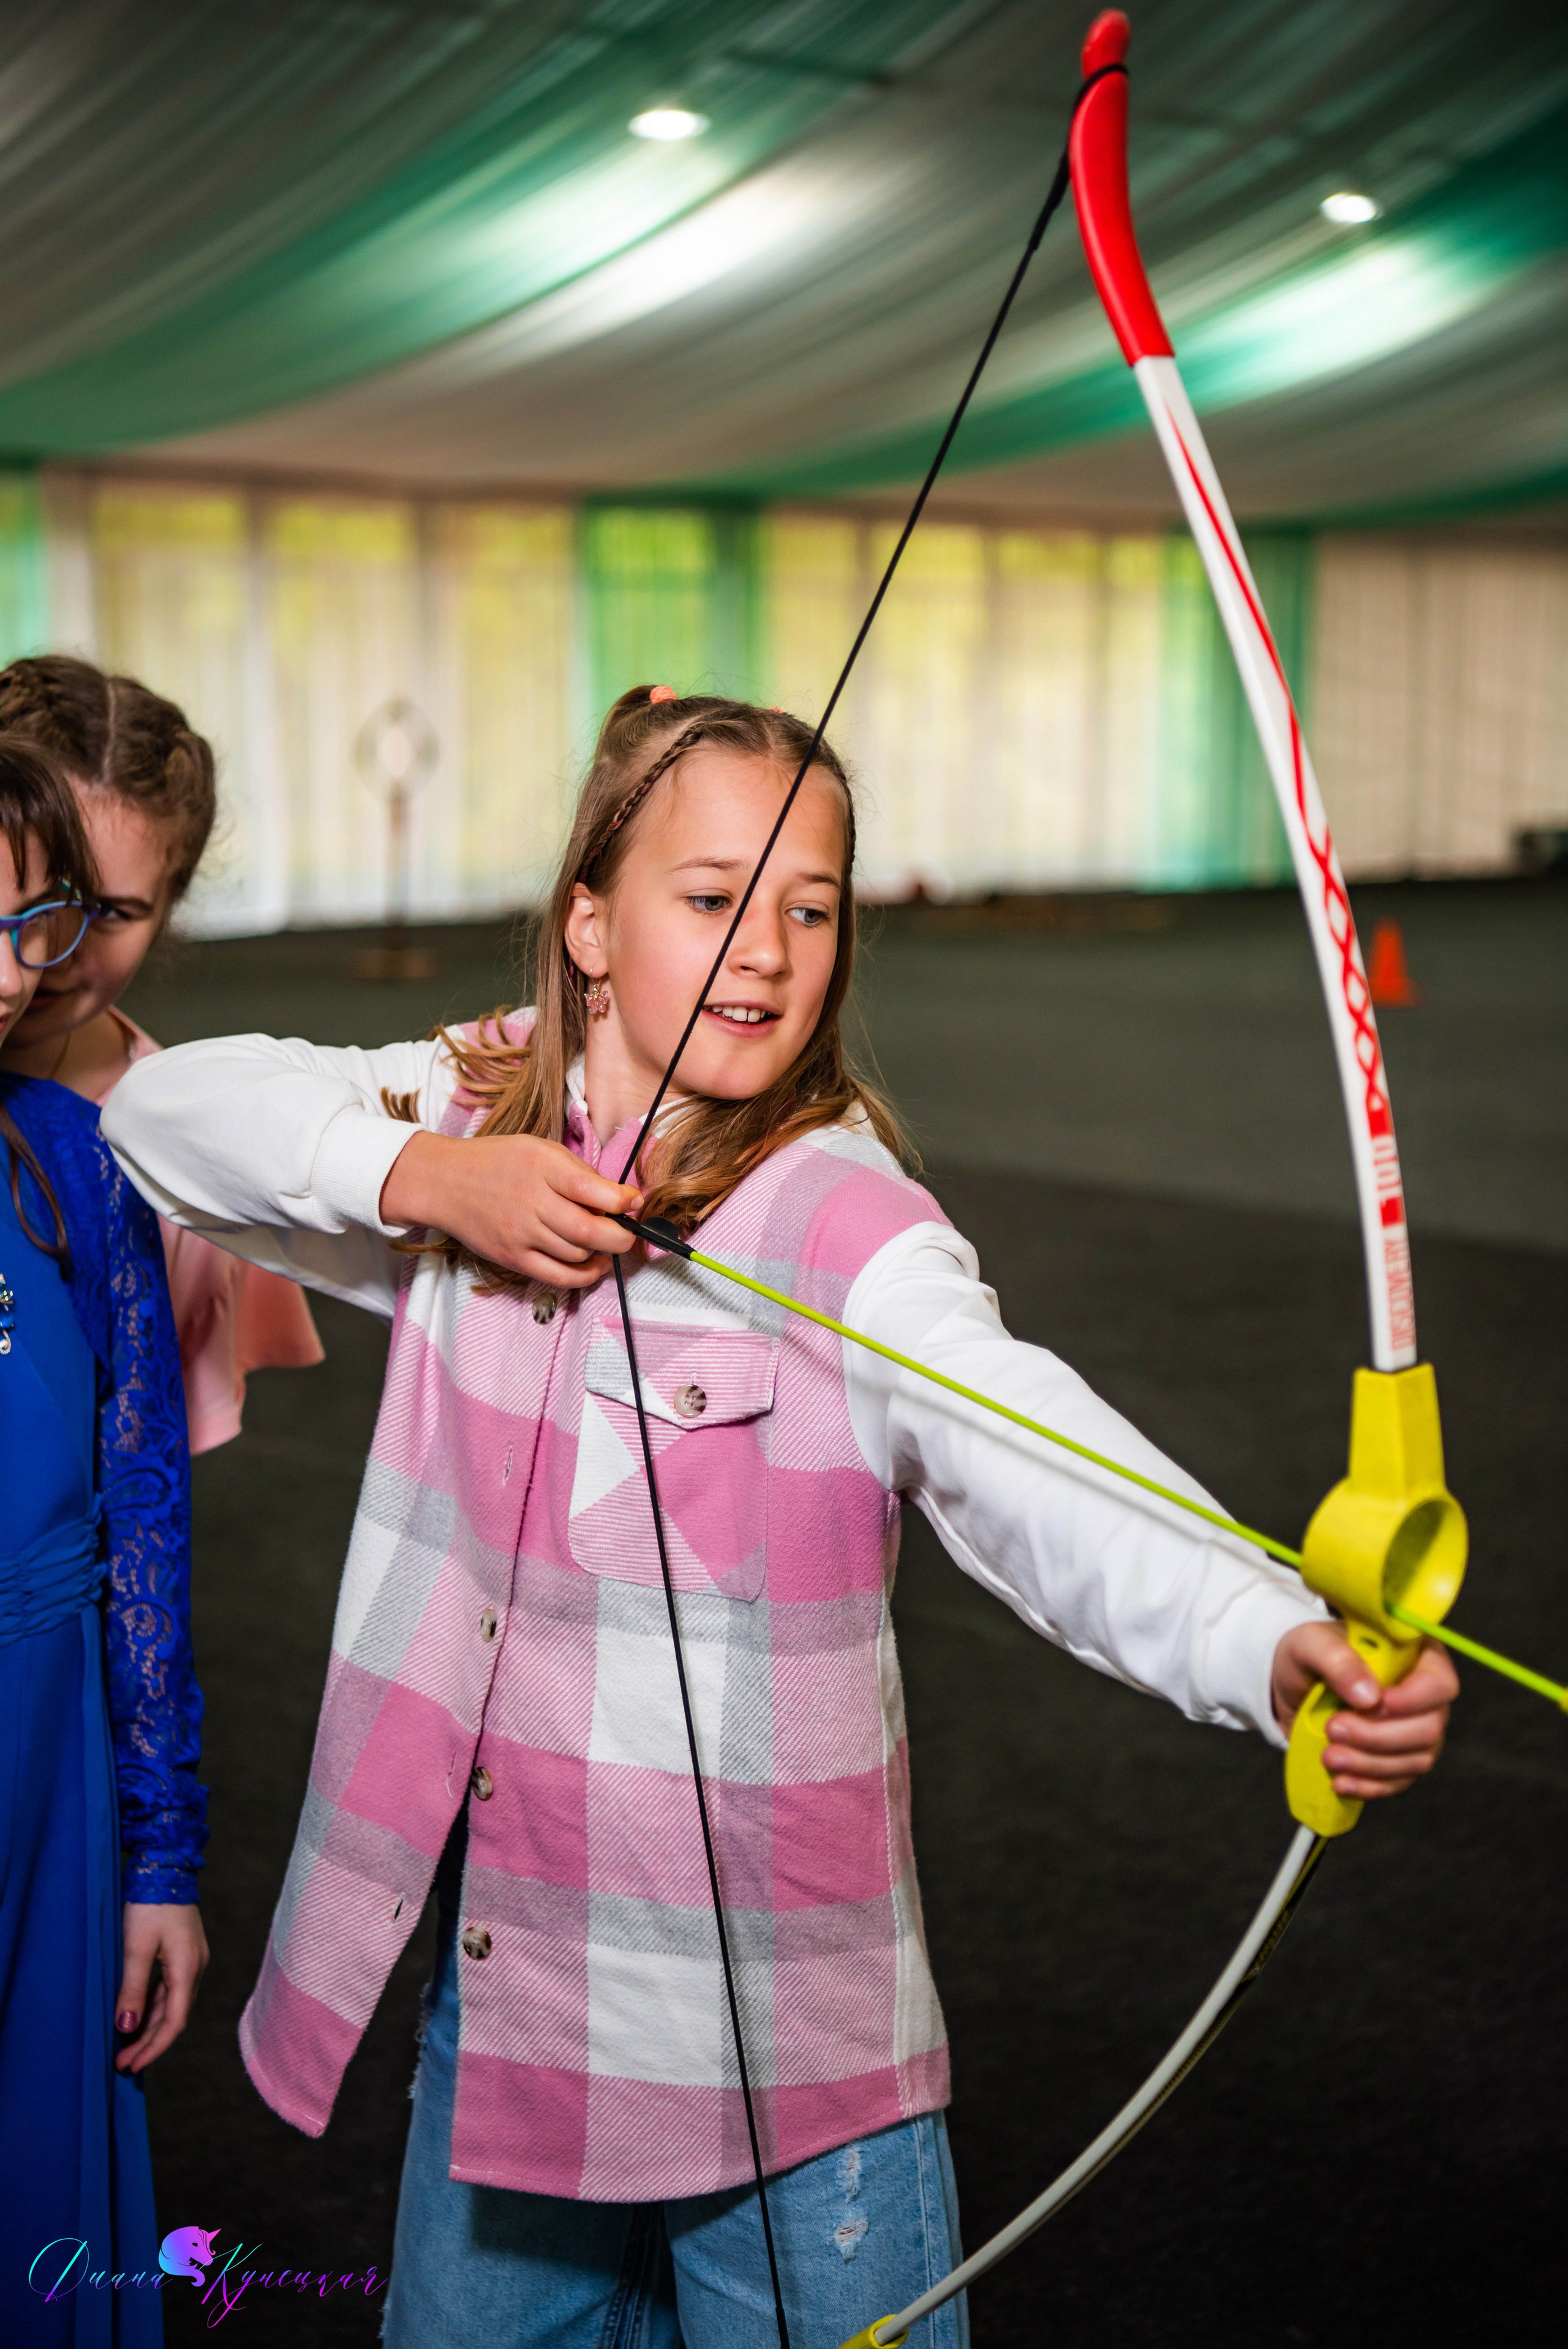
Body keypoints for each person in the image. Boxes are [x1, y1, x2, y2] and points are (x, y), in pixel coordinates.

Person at [102, 688, 1457, 2348]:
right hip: (521, 1992)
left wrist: (1271, 1636)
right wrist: (431, 1178)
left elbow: (1025, 1448)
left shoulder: (849, 1220)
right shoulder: (476, 1114)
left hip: (798, 2062)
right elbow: (162, 1119)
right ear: (586, 923)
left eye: (809, 908)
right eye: (709, 897)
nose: (766, 953)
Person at [0, 735, 207, 2344]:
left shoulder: (74, 1155)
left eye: (34, 926)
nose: (14, 977)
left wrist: (158, 1853)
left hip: (49, 1758)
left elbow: (143, 1508)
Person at [0, 656, 322, 1453]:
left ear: (171, 910)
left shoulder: (176, 1160)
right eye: (36, 897)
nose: (45, 950)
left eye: (106, 913)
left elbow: (143, 1470)